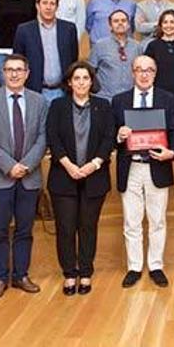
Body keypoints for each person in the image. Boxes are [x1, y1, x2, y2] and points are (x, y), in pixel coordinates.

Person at [0, 54, 48, 300]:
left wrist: (26, 165)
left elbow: (43, 137)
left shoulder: (39, 101)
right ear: (2, 73)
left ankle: (21, 275)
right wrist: (9, 166)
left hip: (30, 177)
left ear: (27, 73)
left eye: (19, 70)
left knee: (25, 229)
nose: (14, 74)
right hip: (0, 176)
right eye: (9, 70)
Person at [46, 61, 116, 296]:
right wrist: (68, 165)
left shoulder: (103, 106)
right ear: (69, 82)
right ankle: (69, 273)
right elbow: (52, 138)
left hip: (94, 176)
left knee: (88, 226)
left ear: (91, 81)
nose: (81, 83)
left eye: (85, 78)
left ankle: (85, 271)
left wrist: (93, 164)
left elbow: (109, 138)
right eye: (76, 78)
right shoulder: (57, 106)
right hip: (63, 176)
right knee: (65, 227)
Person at [112, 56, 174, 288]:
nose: (144, 74)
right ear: (132, 72)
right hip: (130, 167)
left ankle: (155, 265)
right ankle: (134, 266)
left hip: (157, 166)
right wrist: (119, 135)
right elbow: (111, 134)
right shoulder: (119, 101)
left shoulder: (167, 99)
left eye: (149, 70)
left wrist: (171, 152)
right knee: (131, 221)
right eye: (139, 70)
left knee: (157, 220)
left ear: (155, 72)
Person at [13, 0, 79, 103]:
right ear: (37, 6)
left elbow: (73, 58)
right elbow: (18, 61)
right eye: (44, 3)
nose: (48, 7)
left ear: (57, 7)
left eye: (52, 4)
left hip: (63, 91)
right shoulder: (24, 30)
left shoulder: (69, 29)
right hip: (35, 92)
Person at [88, 9, 142, 101]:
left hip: (129, 100)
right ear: (110, 25)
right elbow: (90, 71)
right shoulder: (99, 46)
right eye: (116, 21)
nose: (120, 23)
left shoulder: (137, 47)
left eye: (123, 21)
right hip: (106, 99)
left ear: (128, 25)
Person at [143, 9, 174, 96]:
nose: (168, 25)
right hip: (159, 93)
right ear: (160, 25)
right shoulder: (152, 46)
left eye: (172, 22)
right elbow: (148, 71)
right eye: (165, 22)